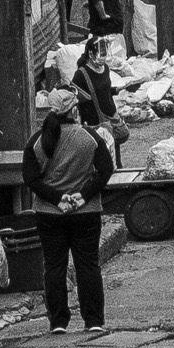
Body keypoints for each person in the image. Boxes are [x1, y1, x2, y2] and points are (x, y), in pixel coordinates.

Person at [21, 85, 114, 334]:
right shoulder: (90, 137)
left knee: (54, 267)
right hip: (86, 212)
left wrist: (58, 198)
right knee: (88, 265)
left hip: (49, 213)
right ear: (74, 110)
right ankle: (93, 320)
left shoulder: (37, 141)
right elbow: (105, 170)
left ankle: (58, 322)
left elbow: (31, 178)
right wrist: (82, 196)